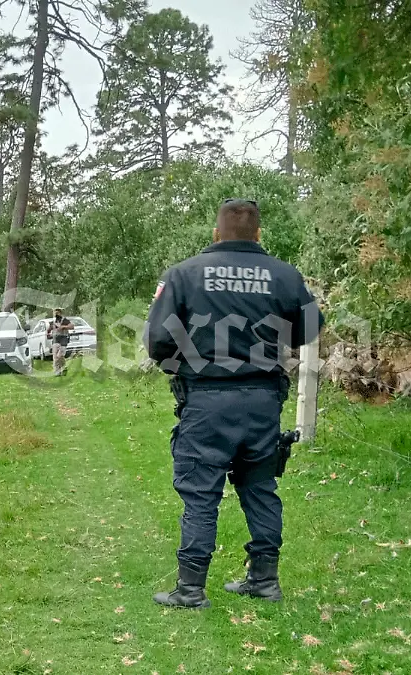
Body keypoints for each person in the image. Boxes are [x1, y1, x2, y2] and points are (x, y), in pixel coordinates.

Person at [144, 198, 323, 609]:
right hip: (263, 399)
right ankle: (264, 581)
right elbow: (309, 330)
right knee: (261, 487)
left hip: (206, 401)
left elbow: (157, 342)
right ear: (259, 235)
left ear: (215, 234)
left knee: (200, 493)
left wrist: (183, 364)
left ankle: (190, 589)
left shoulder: (183, 275)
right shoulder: (284, 275)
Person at [46, 308, 73, 376]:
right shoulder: (53, 322)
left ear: (60, 313)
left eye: (57, 313)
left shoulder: (64, 320)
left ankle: (64, 368)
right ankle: (57, 372)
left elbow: (72, 326)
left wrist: (63, 327)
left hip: (64, 339)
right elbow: (49, 329)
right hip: (55, 340)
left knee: (60, 355)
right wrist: (48, 334)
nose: (56, 314)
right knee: (55, 356)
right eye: (55, 313)